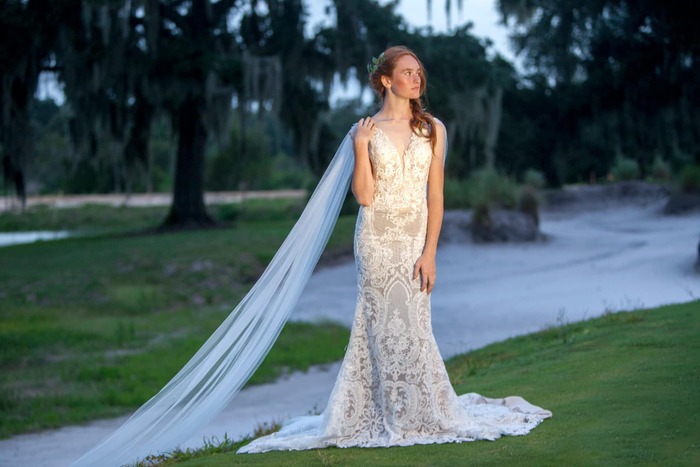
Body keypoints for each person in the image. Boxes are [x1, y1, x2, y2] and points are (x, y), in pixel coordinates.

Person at [238, 45, 551, 454]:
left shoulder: (433, 128)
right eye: (407, 72)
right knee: (378, 328)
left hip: (414, 242)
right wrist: (359, 146)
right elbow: (365, 197)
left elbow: (436, 198)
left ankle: (421, 410)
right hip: (375, 241)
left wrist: (430, 253)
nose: (416, 78)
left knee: (416, 326)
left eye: (418, 71)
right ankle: (379, 412)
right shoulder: (363, 130)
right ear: (386, 80)